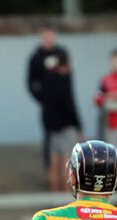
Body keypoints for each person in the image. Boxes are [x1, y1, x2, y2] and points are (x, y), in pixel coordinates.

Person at [27, 24, 81, 182]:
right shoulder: (36, 57)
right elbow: (31, 83)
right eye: (45, 34)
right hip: (50, 110)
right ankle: (56, 187)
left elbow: (69, 85)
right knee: (53, 150)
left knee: (66, 154)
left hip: (65, 109)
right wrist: (42, 99)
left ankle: (65, 188)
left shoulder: (62, 53)